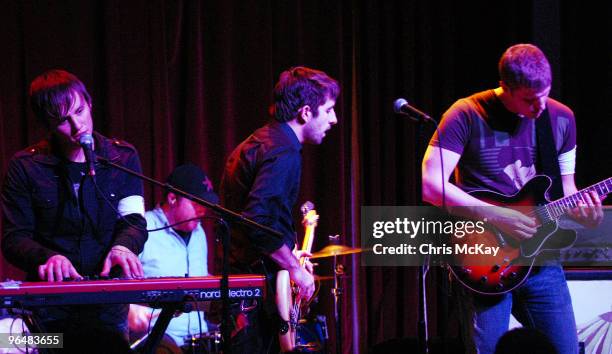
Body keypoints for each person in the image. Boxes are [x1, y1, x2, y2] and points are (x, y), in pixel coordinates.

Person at [421, 43, 604, 354]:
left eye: (545, 95)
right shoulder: (465, 113)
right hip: (483, 258)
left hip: (541, 259)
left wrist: (584, 213)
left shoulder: (561, 118)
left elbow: (568, 189)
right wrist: (498, 215)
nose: (540, 107)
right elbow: (430, 185)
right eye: (530, 101)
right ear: (505, 87)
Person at [1, 69, 147, 352]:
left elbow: (134, 221)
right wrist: (48, 257)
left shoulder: (122, 157)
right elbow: (13, 238)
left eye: (80, 111)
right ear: (47, 125)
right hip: (50, 313)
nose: (78, 124)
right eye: (63, 121)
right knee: (33, 345)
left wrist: (124, 247)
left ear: (90, 103)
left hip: (109, 308)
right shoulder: (24, 167)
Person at [220, 66, 340, 353]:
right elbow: (257, 221)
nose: (334, 119)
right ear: (306, 112)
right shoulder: (283, 151)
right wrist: (294, 269)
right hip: (255, 304)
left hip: (242, 294)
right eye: (329, 110)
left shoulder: (259, 142)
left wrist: (289, 255)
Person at [129, 163, 219, 352]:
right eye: (196, 203)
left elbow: (198, 278)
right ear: (172, 198)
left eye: (206, 205)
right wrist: (129, 309)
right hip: (157, 338)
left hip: (199, 337)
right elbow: (116, 283)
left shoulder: (199, 232)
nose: (203, 210)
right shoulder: (141, 229)